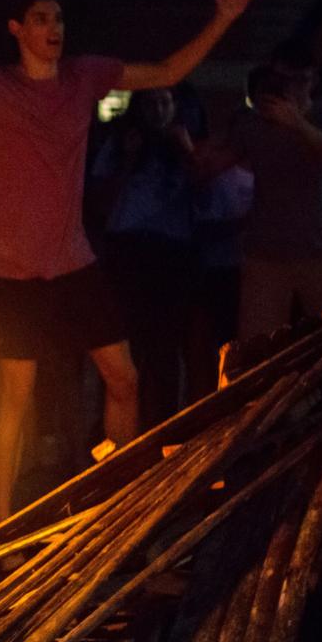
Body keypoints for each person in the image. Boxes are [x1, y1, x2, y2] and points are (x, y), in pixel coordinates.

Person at [0, 0, 259, 520]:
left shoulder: (83, 77)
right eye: (42, 19)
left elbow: (165, 71)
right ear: (17, 29)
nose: (54, 28)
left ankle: (115, 509)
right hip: (15, 270)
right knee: (15, 401)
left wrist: (225, 17)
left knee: (125, 379)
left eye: (59, 18)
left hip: (74, 262)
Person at [194, 63, 322, 339]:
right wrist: (189, 148)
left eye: (296, 81)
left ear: (309, 81)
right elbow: (214, 166)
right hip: (265, 253)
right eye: (279, 82)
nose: (288, 88)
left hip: (318, 248)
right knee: (258, 344)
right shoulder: (253, 124)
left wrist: (297, 123)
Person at [89, 88, 195, 428]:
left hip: (172, 251)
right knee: (127, 344)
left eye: (167, 102)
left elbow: (204, 188)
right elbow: (100, 201)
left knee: (165, 347)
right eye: (152, 103)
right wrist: (129, 159)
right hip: (128, 250)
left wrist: (187, 151)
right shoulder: (121, 142)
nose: (159, 110)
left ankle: (164, 428)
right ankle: (121, 433)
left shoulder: (182, 142)